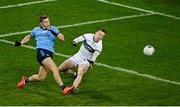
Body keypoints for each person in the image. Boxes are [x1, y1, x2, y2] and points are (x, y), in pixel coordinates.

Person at [15, 15, 66, 90]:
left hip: (49, 54)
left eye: (48, 21)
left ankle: (25, 80)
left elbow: (62, 39)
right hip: (42, 52)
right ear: (41, 23)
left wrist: (54, 32)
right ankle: (64, 88)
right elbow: (29, 36)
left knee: (41, 77)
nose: (48, 23)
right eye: (45, 22)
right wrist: (21, 42)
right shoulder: (36, 30)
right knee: (54, 68)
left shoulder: (53, 28)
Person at [58, 29, 106, 94]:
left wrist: (91, 62)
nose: (100, 36)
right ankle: (74, 74)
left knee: (80, 73)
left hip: (86, 61)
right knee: (59, 69)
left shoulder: (99, 46)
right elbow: (80, 38)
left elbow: (95, 56)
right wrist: (74, 41)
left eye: (102, 36)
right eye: (99, 34)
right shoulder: (89, 35)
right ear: (96, 33)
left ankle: (73, 88)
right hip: (77, 56)